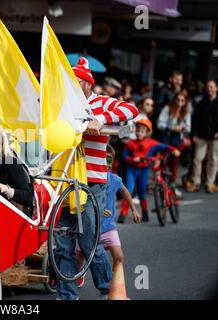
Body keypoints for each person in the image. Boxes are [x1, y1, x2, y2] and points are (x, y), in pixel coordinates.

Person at [54, 56, 139, 300]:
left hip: (93, 180)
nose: (71, 86)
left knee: (90, 240)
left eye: (76, 82)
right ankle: (67, 296)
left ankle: (108, 289)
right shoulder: (63, 104)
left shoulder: (101, 102)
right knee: (63, 243)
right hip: (65, 180)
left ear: (88, 84)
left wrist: (100, 119)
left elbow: (131, 109)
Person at [77, 145, 141, 290]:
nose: (106, 163)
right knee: (78, 256)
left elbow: (124, 191)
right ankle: (79, 274)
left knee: (119, 256)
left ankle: (113, 280)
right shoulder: (87, 180)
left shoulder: (114, 179)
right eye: (103, 159)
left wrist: (134, 210)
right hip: (90, 228)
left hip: (108, 228)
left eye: (109, 160)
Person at [118, 119, 180, 223]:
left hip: (143, 170)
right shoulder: (130, 143)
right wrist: (133, 159)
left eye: (142, 131)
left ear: (147, 132)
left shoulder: (151, 143)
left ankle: (145, 213)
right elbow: (124, 157)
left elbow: (164, 146)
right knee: (129, 190)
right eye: (137, 131)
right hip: (131, 170)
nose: (139, 133)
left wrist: (174, 150)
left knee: (142, 191)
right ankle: (123, 215)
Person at [186, 80, 218, 193]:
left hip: (215, 137)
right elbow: (195, 120)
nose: (209, 89)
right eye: (208, 87)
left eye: (212, 87)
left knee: (213, 160)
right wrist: (194, 134)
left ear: (216, 88)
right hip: (201, 136)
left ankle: (209, 183)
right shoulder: (201, 103)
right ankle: (196, 182)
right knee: (197, 159)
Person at [157, 91, 191, 194]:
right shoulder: (168, 108)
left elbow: (188, 128)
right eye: (178, 99)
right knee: (164, 162)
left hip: (177, 139)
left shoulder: (186, 112)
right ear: (175, 99)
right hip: (166, 137)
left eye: (182, 100)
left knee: (175, 164)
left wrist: (181, 129)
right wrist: (170, 127)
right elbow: (159, 123)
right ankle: (161, 185)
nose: (180, 102)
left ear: (185, 102)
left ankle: (172, 186)